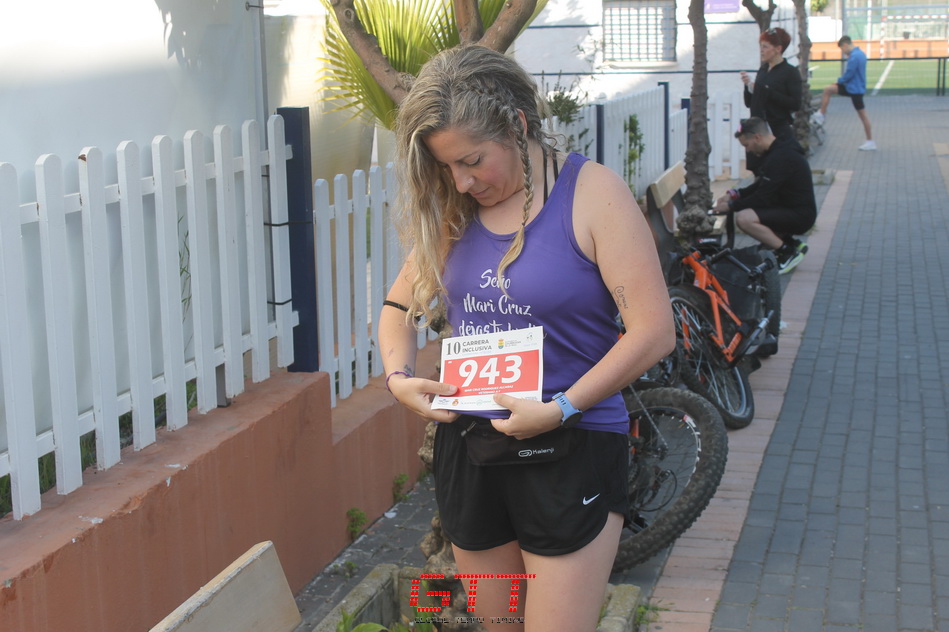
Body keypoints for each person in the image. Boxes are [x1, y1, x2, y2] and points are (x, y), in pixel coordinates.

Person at [378, 45, 674, 631]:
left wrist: (560, 407)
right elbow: (397, 307)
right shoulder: (456, 208)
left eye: (473, 161)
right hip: (472, 448)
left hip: (571, 445)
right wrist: (398, 379)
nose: (462, 181)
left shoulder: (592, 194)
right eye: (447, 167)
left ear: (517, 124)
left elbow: (653, 330)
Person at [711, 117, 816, 274]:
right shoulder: (778, 150)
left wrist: (732, 206)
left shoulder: (781, 157)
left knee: (744, 218)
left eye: (746, 145)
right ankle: (791, 243)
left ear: (757, 137)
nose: (748, 151)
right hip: (793, 209)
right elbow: (761, 186)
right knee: (749, 211)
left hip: (801, 216)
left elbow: (762, 197)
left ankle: (787, 252)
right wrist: (735, 194)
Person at [740, 27, 803, 174]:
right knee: (759, 172)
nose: (761, 51)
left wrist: (767, 91)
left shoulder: (790, 72)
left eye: (765, 47)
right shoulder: (763, 70)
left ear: (778, 49)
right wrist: (748, 87)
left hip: (777, 132)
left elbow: (795, 104)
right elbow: (750, 103)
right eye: (761, 47)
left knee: (777, 171)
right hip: (757, 133)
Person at [812, 35, 876, 150]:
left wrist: (839, 82)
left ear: (845, 45)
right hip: (855, 88)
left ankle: (870, 141)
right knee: (828, 90)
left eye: (842, 49)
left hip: (854, 89)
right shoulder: (860, 54)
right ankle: (821, 114)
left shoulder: (854, 57)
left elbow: (849, 74)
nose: (843, 52)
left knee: (863, 116)